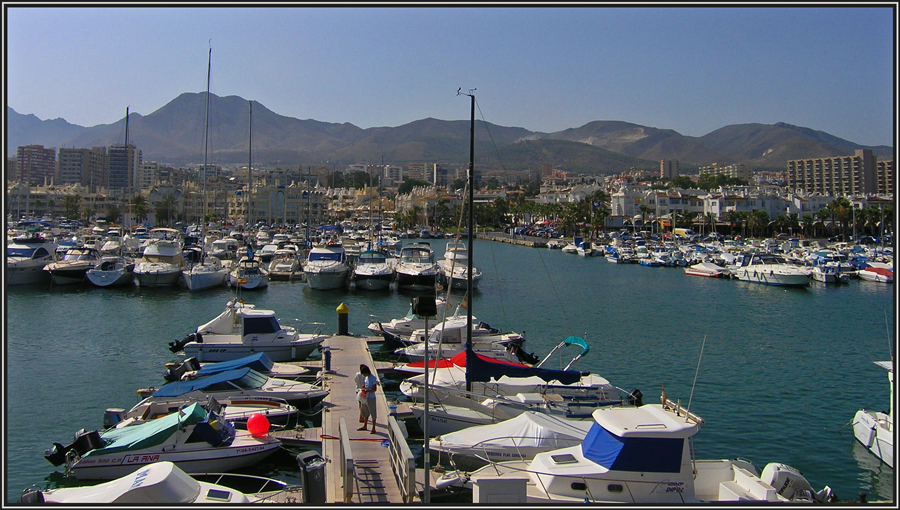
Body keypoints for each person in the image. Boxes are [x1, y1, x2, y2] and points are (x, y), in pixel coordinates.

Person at [355, 364, 378, 434]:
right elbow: (365, 384)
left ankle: (373, 428)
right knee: (365, 412)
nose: (363, 375)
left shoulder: (373, 378)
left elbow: (374, 389)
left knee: (373, 412)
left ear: (366, 373)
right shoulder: (366, 378)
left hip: (371, 398)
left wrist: (367, 390)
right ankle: (365, 425)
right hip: (365, 398)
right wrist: (363, 387)